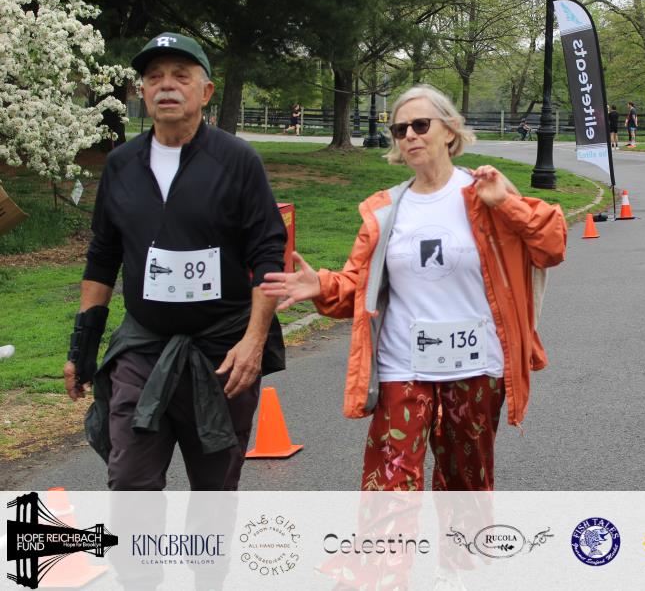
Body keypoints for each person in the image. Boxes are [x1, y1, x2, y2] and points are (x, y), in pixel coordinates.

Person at [261, 84, 567, 491]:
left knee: (465, 488)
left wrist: (505, 203)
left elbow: (551, 246)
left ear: (450, 129)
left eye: (421, 125)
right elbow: (359, 286)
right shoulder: (385, 209)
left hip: (476, 367)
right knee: (388, 489)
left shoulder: (486, 194)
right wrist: (320, 285)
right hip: (401, 366)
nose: (409, 136)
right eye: (399, 129)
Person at [62, 32, 288, 490]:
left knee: (214, 492)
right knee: (130, 483)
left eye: (181, 76)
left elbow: (268, 254)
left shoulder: (238, 161)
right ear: (141, 92)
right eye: (154, 77)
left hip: (222, 354)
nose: (166, 85)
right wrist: (82, 348)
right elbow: (102, 258)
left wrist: (253, 342)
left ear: (206, 91)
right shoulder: (122, 165)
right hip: (143, 348)